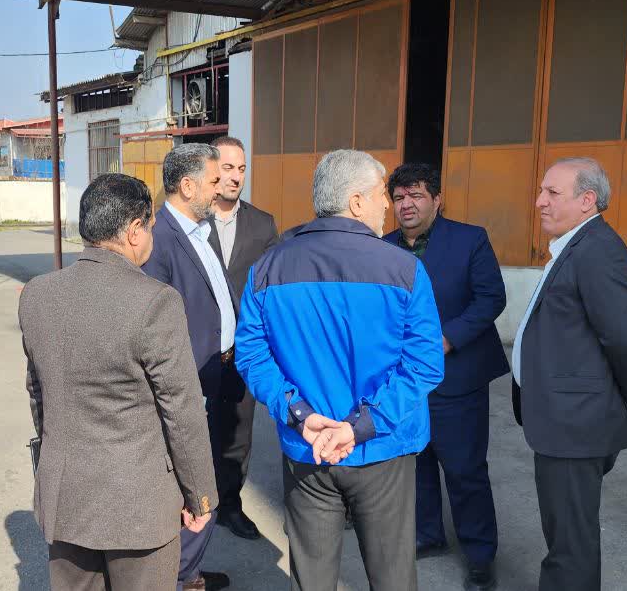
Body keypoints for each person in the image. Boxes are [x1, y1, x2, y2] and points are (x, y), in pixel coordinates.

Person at [236, 149, 445, 591]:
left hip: (308, 445)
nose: (387, 204)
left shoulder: (266, 269)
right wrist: (361, 425)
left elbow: (252, 355)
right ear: (355, 201)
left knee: (312, 579)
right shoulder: (405, 269)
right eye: (381, 194)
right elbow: (424, 364)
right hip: (383, 447)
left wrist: (299, 412)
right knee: (392, 577)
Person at [19, 173, 216, 591]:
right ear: (134, 230)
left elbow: (38, 392)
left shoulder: (37, 294)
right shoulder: (156, 301)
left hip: (65, 494)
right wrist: (199, 494)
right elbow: (181, 410)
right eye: (151, 227)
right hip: (139, 505)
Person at [512, 157, 627, 591]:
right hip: (562, 417)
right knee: (566, 533)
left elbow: (623, 339)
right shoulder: (575, 246)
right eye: (541, 191)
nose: (540, 201)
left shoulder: (598, 251)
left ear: (587, 200)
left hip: (575, 422)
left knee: (570, 545)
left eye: (552, 193)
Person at [381, 163, 508, 590]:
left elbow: (491, 297)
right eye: (399, 197)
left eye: (416, 195)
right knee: (416, 462)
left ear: (437, 200)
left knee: (465, 469)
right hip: (404, 380)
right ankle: (427, 533)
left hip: (458, 377)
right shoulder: (383, 247)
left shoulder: (470, 240)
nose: (407, 204)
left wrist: (449, 338)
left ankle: (480, 555)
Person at [142, 142, 233, 591]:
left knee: (205, 483)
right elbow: (156, 326)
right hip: (188, 384)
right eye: (214, 180)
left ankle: (188, 570)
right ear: (187, 185)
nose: (221, 188)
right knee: (195, 490)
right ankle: (178, 578)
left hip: (216, 373)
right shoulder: (159, 238)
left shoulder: (201, 229)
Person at [203, 136, 279, 541]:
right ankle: (195, 502)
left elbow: (271, 287)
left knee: (236, 431)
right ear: (212, 171)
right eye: (228, 168)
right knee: (191, 429)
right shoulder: (191, 221)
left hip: (241, 347)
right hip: (196, 346)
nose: (236, 177)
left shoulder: (262, 224)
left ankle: (230, 505)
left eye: (242, 169)